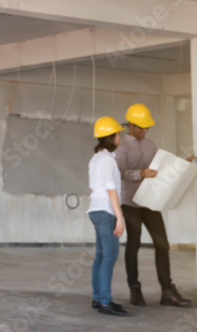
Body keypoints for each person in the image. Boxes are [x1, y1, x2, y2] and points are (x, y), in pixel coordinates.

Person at [114, 103, 191, 308]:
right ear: (130, 124)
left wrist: (184, 163)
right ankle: (134, 289)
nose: (144, 130)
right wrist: (140, 173)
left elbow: (162, 168)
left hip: (151, 201)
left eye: (146, 127)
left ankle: (167, 291)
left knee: (162, 243)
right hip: (130, 202)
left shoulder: (150, 145)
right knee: (134, 244)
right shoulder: (121, 146)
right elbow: (118, 172)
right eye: (140, 127)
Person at [87, 116, 128, 317]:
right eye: (118, 134)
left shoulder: (96, 159)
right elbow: (111, 190)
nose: (120, 137)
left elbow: (93, 187)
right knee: (109, 257)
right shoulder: (107, 161)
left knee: (101, 256)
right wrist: (119, 217)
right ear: (111, 137)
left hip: (95, 209)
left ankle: (98, 298)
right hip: (106, 211)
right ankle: (105, 302)